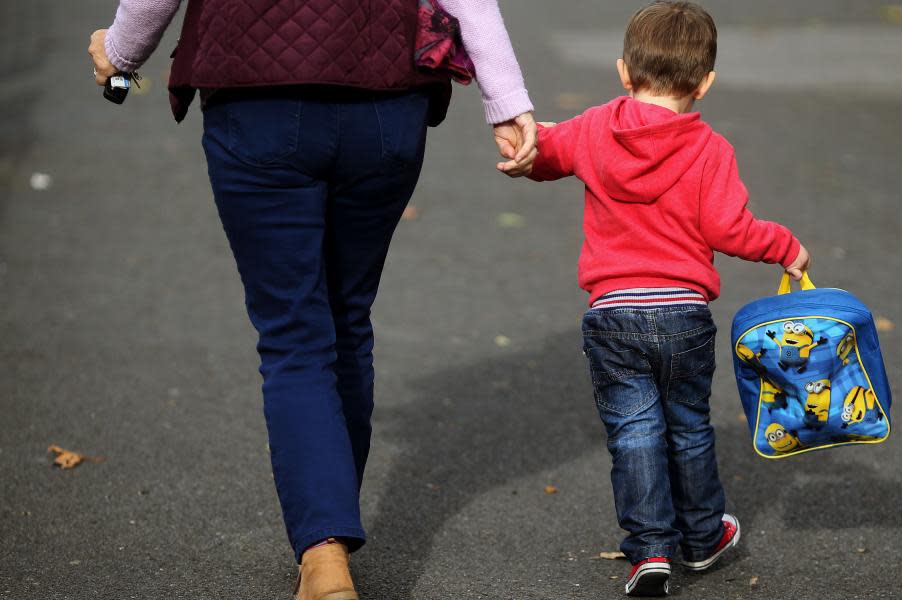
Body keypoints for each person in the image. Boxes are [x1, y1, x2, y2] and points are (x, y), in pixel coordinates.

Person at [88, 1, 536, 599]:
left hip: (256, 99)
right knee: (347, 318)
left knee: (295, 333)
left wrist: (120, 55)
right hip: (385, 102)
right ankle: (330, 542)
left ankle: (324, 558)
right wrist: (506, 100)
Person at [508, 2, 810, 596]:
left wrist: (524, 150)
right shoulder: (710, 149)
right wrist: (785, 246)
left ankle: (649, 552)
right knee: (690, 427)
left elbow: (547, 152)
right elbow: (730, 230)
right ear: (705, 83)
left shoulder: (596, 127)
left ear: (624, 72)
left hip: (614, 312)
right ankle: (702, 537)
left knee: (635, 432)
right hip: (683, 313)